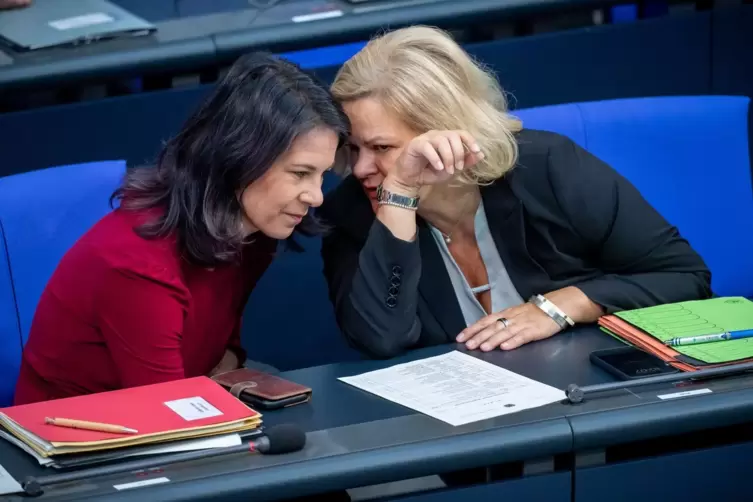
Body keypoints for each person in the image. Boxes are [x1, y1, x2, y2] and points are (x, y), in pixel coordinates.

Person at [319, 26, 712, 360]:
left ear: (449, 131)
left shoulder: (548, 169)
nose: (359, 169)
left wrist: (565, 304)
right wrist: (399, 196)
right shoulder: (351, 215)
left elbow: (684, 276)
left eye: (382, 148)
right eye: (352, 149)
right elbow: (380, 340)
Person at [14, 52, 349, 405]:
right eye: (299, 173)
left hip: (172, 401)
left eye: (322, 174)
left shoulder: (253, 230)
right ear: (241, 157)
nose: (316, 196)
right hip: (78, 441)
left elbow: (223, 353)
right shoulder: (137, 265)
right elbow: (171, 416)